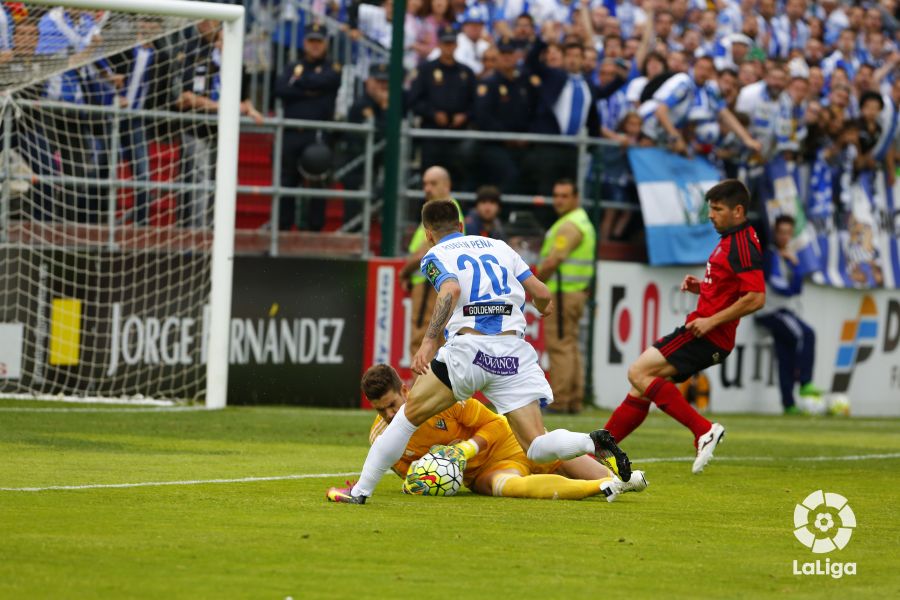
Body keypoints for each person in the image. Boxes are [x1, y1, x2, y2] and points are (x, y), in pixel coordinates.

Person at [327, 199, 632, 504]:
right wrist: (542, 306)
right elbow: (540, 292)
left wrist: (430, 341)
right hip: (512, 353)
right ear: (461, 226)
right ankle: (591, 441)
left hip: (469, 350)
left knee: (406, 419)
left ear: (428, 233)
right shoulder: (500, 247)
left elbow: (451, 290)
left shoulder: (435, 255)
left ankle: (360, 491)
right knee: (536, 445)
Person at [603, 179, 766, 474]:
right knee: (642, 387)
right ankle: (601, 453)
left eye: (717, 209)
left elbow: (755, 298)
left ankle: (703, 430)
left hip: (706, 333)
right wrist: (702, 288)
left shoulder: (741, 244)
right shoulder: (733, 240)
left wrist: (711, 320)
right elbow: (729, 289)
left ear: (738, 210)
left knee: (638, 372)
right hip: (710, 334)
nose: (710, 215)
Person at [356, 364, 648, 500]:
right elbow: (412, 478)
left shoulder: (441, 400)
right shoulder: (381, 440)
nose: (390, 415)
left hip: (511, 442)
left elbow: (496, 423)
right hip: (484, 474)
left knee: (547, 449)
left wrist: (465, 449)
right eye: (381, 410)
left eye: (393, 405)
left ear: (405, 390)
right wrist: (427, 479)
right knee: (507, 488)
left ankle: (618, 477)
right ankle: (602, 487)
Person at [536, 179, 596, 414]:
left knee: (560, 345)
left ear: (575, 198)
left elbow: (553, 260)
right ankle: (573, 399)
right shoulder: (582, 222)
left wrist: (537, 285)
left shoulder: (569, 225)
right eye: (556, 195)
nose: (559, 200)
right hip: (575, 292)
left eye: (564, 195)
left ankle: (560, 400)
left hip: (562, 293)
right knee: (569, 345)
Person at [274, 23, 340, 231]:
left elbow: (327, 82)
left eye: (318, 41)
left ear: (326, 44)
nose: (315, 46)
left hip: (317, 135)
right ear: (304, 43)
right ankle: (283, 227)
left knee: (317, 181)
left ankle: (314, 228)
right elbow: (280, 89)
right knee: (287, 181)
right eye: (311, 41)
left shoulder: (333, 66)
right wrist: (310, 89)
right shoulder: (293, 65)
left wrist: (300, 83)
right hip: (292, 132)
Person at [754, 215, 822, 414]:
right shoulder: (769, 254)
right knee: (806, 334)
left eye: (788, 233)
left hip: (782, 311)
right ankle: (805, 381)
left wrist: (796, 267)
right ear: (774, 233)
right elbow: (780, 286)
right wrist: (790, 265)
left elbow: (796, 289)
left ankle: (788, 404)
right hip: (771, 311)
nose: (785, 237)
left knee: (785, 355)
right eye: (781, 232)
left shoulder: (788, 257)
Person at [398, 166, 463, 365]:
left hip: (430, 286)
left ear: (447, 185)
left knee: (422, 342)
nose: (427, 188)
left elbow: (425, 251)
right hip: (436, 284)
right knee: (440, 344)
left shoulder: (443, 214)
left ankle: (422, 394)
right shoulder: (444, 212)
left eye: (433, 183)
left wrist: (404, 272)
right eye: (425, 183)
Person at [408, 25, 477, 186]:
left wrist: (465, 115)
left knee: (457, 179)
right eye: (445, 43)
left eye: (451, 43)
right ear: (439, 44)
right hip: (432, 135)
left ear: (457, 45)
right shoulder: (425, 70)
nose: (449, 47)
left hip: (458, 136)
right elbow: (414, 100)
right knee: (430, 179)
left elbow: (476, 104)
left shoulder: (466, 72)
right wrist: (433, 113)